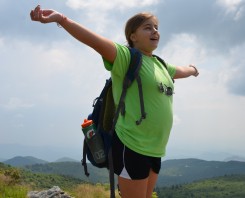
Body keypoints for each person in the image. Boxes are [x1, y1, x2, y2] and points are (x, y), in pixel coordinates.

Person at [30, 5, 199, 198]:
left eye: (156, 27)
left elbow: (180, 70)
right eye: (147, 27)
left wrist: (193, 69)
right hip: (132, 146)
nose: (155, 31)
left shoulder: (160, 64)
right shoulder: (126, 58)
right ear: (133, 36)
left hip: (156, 148)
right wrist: (62, 19)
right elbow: (95, 41)